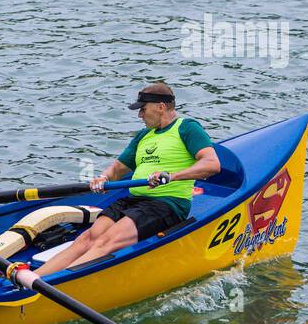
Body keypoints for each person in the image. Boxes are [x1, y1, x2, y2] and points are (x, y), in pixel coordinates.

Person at [33, 83, 220, 277]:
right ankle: (32, 280)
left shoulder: (187, 128)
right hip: (134, 201)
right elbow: (117, 169)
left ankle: (54, 286)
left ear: (161, 107)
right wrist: (103, 178)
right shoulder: (144, 135)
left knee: (106, 242)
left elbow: (212, 164)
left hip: (166, 204)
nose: (140, 115)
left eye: (143, 109)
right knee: (88, 238)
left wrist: (170, 176)